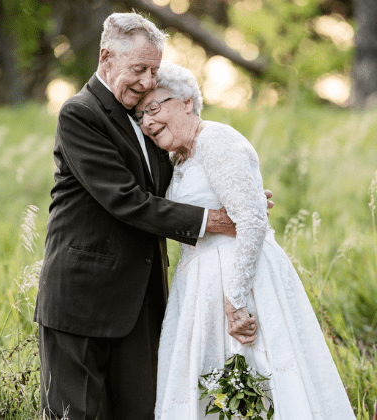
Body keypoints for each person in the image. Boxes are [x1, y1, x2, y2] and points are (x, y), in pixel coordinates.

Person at [34, 12, 268, 420]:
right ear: (107, 57)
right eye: (139, 69)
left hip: (142, 303)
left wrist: (235, 194)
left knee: (145, 412)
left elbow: (172, 188)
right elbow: (126, 200)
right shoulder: (79, 114)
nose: (146, 82)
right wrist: (214, 220)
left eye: (154, 71)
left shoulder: (144, 121)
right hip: (82, 303)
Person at [137, 61, 356, 420]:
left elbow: (253, 222)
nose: (147, 121)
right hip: (197, 287)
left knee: (254, 384)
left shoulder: (215, 139)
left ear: (187, 102)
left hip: (239, 283)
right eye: (141, 114)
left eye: (155, 108)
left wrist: (235, 301)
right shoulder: (179, 158)